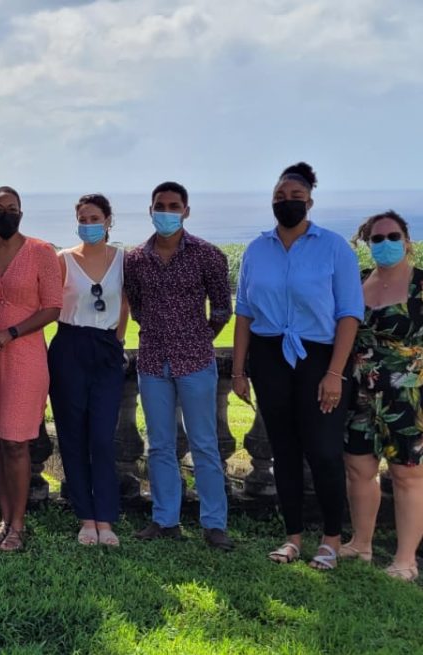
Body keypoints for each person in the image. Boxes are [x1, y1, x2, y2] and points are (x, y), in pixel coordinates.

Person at [233, 162, 363, 570]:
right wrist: (239, 370)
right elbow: (245, 313)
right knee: (283, 451)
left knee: (324, 451)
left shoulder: (334, 247)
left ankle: (331, 539)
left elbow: (349, 314)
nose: (286, 203)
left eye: (294, 197)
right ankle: (292, 538)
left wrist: (334, 373)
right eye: (279, 198)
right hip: (270, 356)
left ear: (309, 200)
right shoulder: (258, 249)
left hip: (319, 357)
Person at [125, 181, 234, 551]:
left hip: (196, 361)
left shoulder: (207, 255)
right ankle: (165, 518)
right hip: (153, 361)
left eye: (174, 206)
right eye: (160, 205)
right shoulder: (136, 259)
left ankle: (214, 524)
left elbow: (221, 308)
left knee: (204, 444)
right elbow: (136, 306)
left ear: (186, 211)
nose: (166, 212)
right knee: (159, 444)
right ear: (150, 209)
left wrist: (198, 335)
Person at [0, 186, 63, 552]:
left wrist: (10, 333)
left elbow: (53, 307)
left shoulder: (42, 252)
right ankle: (5, 517)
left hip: (24, 356)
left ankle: (19, 525)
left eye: (12, 208)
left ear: (21, 212)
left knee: (15, 441)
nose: (5, 212)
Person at [342, 211, 422, 581]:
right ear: (367, 243)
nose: (385, 244)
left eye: (392, 236)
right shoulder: (357, 282)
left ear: (406, 240)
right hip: (361, 392)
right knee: (359, 468)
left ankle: (405, 559)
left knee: (408, 475)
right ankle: (361, 543)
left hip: (408, 396)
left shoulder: (420, 286)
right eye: (377, 238)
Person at [48, 194, 128, 547]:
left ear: (109, 220)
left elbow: (125, 303)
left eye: (95, 217)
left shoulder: (125, 259)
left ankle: (106, 517)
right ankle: (86, 517)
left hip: (107, 348)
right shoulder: (63, 259)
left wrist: (117, 340)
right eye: (83, 218)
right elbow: (49, 302)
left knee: (101, 436)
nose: (89, 223)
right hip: (69, 346)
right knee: (72, 436)